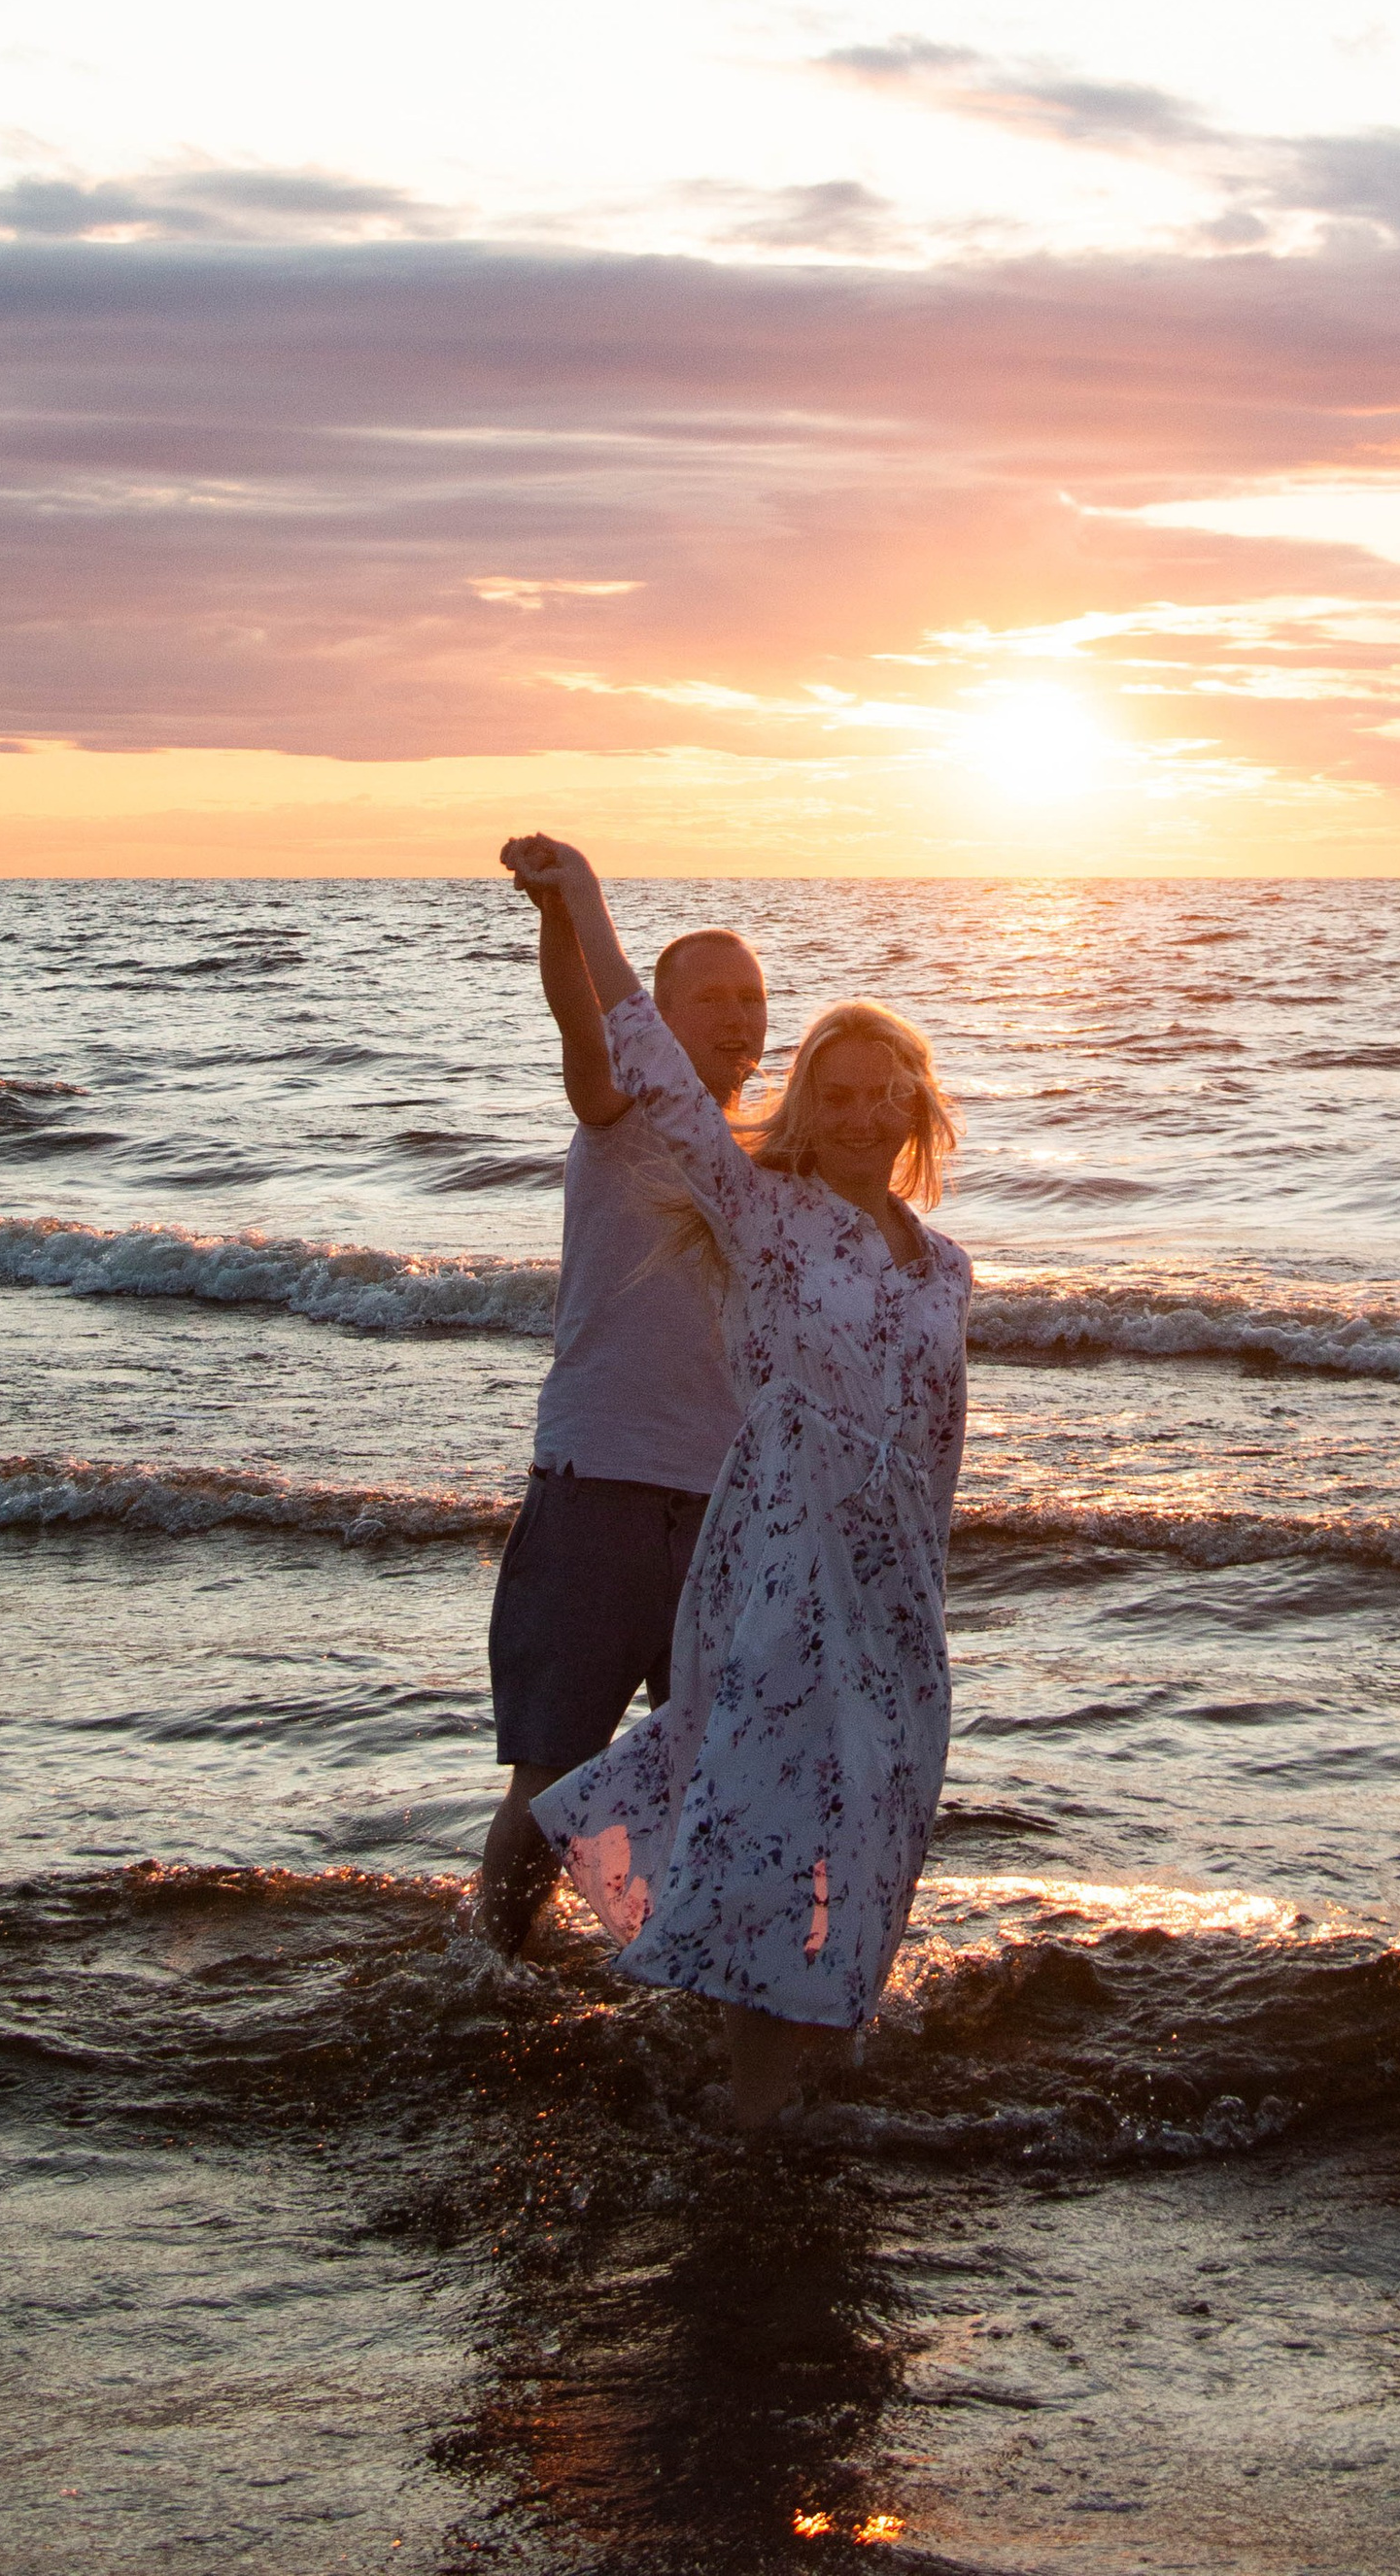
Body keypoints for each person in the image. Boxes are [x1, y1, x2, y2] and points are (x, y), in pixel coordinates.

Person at [497, 831, 972, 2133]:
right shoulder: (759, 1212)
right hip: (769, 1561)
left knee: (868, 1812)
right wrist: (582, 902)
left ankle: (795, 2050)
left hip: (883, 1594)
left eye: (890, 1091)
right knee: (761, 1805)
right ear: (803, 1109)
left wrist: (926, 1596)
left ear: (921, 1112)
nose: (865, 1110)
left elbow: (939, 1439)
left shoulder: (944, 1268)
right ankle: (752, 2107)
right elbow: (635, 1053)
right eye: (840, 1090)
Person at [475, 877, 769, 1954]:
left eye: (753, 998)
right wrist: (563, 914)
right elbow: (583, 1028)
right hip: (597, 1479)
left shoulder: (765, 1162)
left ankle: (689, 1964)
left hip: (727, 1506)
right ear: (660, 1011)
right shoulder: (619, 1115)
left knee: (718, 1770)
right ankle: (493, 1964)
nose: (738, 1017)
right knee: (551, 1773)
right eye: (712, 998)